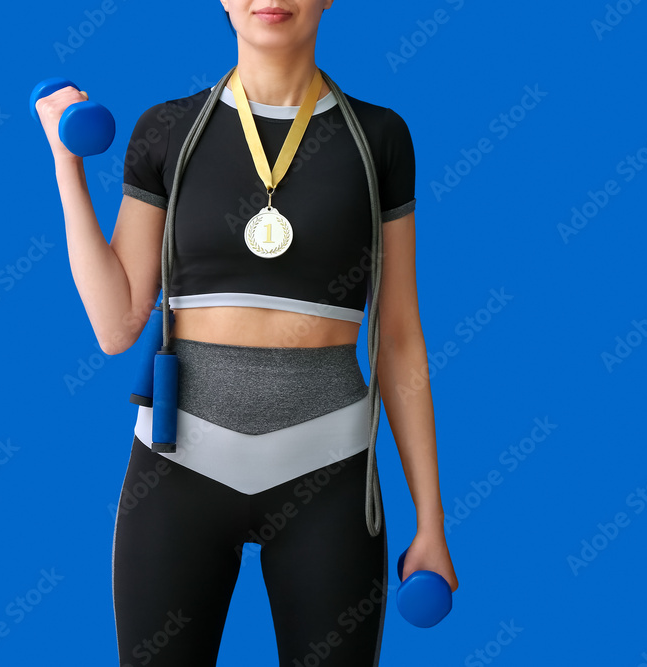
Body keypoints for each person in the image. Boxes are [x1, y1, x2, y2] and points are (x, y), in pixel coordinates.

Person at [35, 2, 458, 664]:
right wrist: (67, 163)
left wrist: (430, 519)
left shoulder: (380, 139)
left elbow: (399, 334)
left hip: (330, 473)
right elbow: (117, 325)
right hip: (178, 472)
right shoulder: (165, 130)